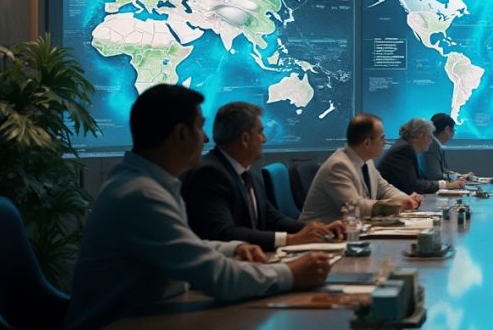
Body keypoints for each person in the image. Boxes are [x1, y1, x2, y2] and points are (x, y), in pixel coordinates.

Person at [66, 85, 330, 330]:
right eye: (200, 128)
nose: (206, 139)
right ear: (181, 134)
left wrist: (232, 248)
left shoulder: (145, 183)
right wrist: (290, 273)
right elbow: (217, 277)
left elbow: (184, 247)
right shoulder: (141, 196)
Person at [181, 102, 345, 250]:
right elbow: (224, 232)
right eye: (260, 132)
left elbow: (271, 218)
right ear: (245, 139)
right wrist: (290, 239)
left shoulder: (246, 173)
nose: (264, 139)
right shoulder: (209, 174)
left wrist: (320, 228)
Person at [299, 114, 423, 222]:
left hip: (351, 231)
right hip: (320, 237)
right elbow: (355, 206)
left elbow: (384, 189)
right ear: (367, 143)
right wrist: (396, 205)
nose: (384, 143)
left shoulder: (367, 161)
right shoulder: (338, 166)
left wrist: (406, 199)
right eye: (382, 138)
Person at [378, 118, 466, 194]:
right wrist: (446, 185)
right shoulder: (404, 149)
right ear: (419, 136)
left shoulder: (406, 146)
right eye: (430, 137)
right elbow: (413, 185)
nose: (431, 141)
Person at [420, 113, 472, 180]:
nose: (453, 133)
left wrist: (458, 175)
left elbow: (440, 169)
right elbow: (435, 176)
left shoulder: (435, 144)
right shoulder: (432, 147)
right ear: (447, 130)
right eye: (453, 130)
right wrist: (457, 177)